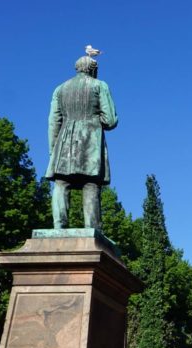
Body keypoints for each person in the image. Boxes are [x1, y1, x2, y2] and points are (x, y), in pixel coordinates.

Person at [46, 52, 118, 231]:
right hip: (90, 140)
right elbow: (110, 120)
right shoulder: (99, 86)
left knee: (62, 183)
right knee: (90, 184)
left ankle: (58, 228)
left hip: (64, 141)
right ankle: (92, 230)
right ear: (93, 70)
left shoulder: (60, 89)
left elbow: (53, 122)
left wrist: (53, 150)